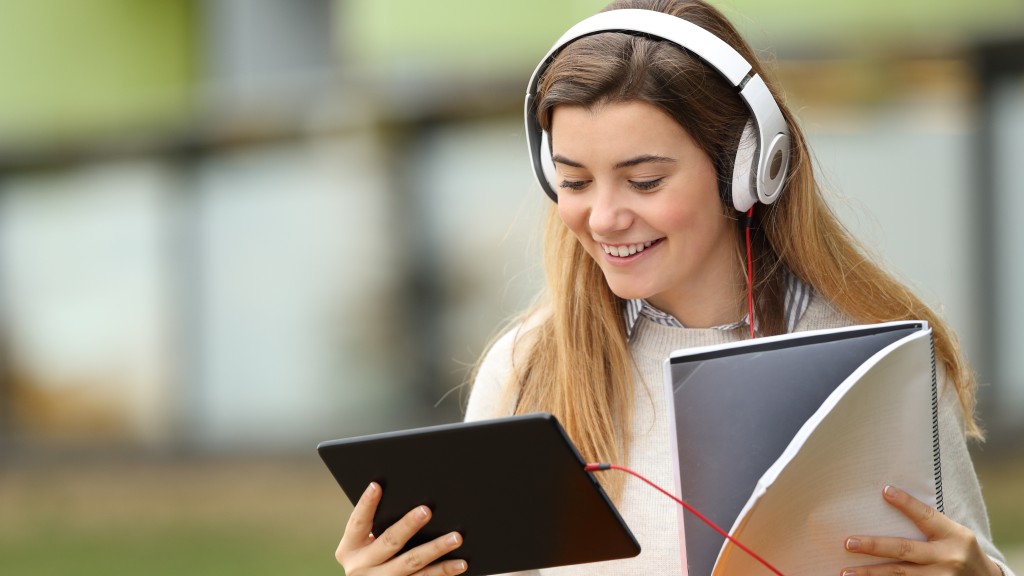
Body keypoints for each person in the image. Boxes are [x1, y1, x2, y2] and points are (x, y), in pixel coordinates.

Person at [335, 1, 1015, 575]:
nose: (603, 217)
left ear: (749, 170)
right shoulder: (528, 371)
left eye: (645, 180)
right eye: (574, 181)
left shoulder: (871, 362)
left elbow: (950, 553)